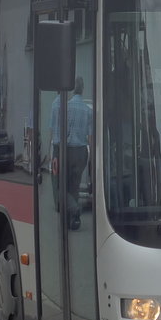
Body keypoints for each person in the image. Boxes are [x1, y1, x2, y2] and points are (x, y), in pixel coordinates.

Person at [49, 76, 92, 230]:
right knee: (74, 186)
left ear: (72, 89)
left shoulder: (66, 107)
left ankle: (74, 209)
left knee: (61, 186)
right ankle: (72, 221)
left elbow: (60, 132)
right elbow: (90, 136)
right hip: (81, 151)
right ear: (83, 89)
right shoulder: (87, 110)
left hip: (67, 150)